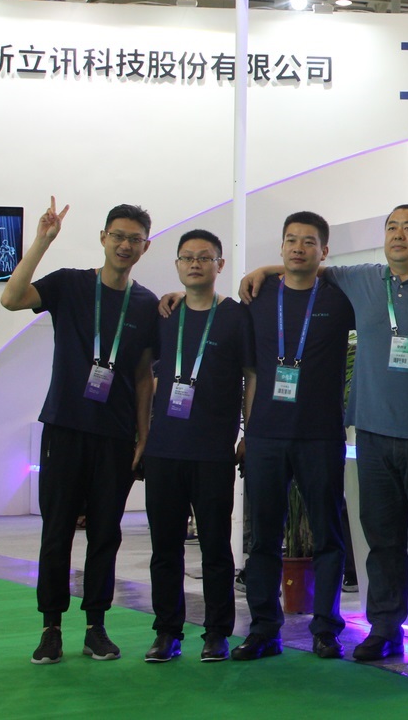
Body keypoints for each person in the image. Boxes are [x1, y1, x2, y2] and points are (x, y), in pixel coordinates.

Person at [235, 205, 408, 664]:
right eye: (392, 227)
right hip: (371, 436)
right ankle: (384, 628)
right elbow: (305, 267)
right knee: (381, 543)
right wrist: (263, 269)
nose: (398, 235)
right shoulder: (362, 280)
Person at [0, 199, 160, 665]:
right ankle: (50, 627)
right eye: (118, 236)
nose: (125, 245)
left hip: (116, 436)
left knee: (106, 533)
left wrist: (144, 436)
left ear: (145, 247)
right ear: (104, 238)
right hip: (65, 428)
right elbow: (11, 298)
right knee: (57, 531)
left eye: (134, 239)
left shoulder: (146, 304)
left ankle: (96, 626)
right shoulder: (70, 284)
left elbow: (144, 376)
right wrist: (41, 242)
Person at [232, 212, 355, 662]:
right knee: (262, 538)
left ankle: (326, 629)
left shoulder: (340, 298)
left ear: (324, 251)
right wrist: (248, 431)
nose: (298, 248)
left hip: (320, 435)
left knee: (328, 537)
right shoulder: (259, 295)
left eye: (308, 242)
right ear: (281, 246)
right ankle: (264, 628)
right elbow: (250, 372)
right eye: (290, 240)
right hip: (266, 435)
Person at [143, 229, 253, 664]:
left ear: (219, 265)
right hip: (164, 449)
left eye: (204, 257)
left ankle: (217, 632)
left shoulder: (235, 317)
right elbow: (145, 375)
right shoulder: (165, 314)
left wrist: (248, 433)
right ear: (176, 265)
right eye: (187, 257)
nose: (194, 264)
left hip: (212, 450)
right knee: (164, 548)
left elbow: (251, 376)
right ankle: (166, 631)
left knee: (215, 548)